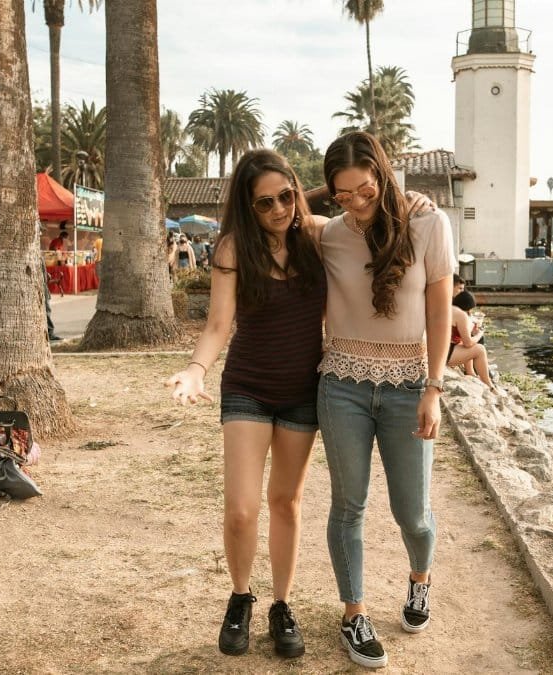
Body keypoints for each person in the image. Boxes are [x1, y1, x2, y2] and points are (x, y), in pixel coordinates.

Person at [166, 149, 325, 660]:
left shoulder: (318, 236)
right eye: (265, 203)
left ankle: (282, 605)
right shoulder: (235, 248)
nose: (280, 209)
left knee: (286, 502)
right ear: (248, 206)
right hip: (249, 387)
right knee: (241, 509)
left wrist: (411, 202)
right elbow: (217, 325)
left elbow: (376, 218)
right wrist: (196, 369)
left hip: (303, 390)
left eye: (286, 196)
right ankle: (240, 598)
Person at [318, 131, 454, 669]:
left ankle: (420, 580)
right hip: (342, 386)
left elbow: (441, 310)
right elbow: (279, 215)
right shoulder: (329, 235)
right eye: (342, 193)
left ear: (384, 175)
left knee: (412, 513)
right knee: (348, 506)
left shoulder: (429, 224)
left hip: (408, 385)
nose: (355, 202)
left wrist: (434, 388)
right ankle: (354, 614)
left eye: (365, 190)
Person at [448, 290, 494, 388]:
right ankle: (488, 384)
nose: (470, 312)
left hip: (439, 349)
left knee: (469, 343)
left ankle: (470, 372)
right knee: (480, 349)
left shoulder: (451, 309)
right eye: (470, 309)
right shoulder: (461, 315)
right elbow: (467, 343)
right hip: (445, 353)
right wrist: (480, 334)